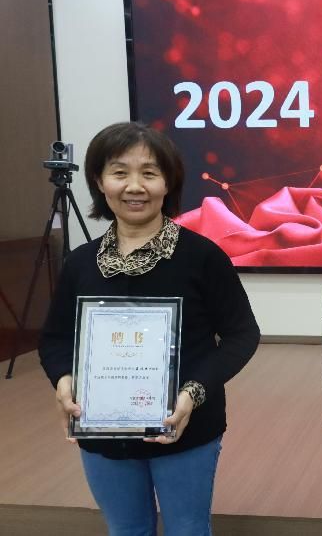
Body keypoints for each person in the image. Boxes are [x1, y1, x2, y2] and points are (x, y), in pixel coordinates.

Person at [39, 122, 260, 535]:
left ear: (168, 182)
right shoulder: (80, 263)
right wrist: (64, 380)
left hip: (185, 426)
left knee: (187, 529)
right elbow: (54, 339)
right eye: (120, 172)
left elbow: (242, 335)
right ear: (99, 182)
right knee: (127, 531)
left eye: (149, 173)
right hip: (102, 429)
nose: (134, 186)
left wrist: (193, 392)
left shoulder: (202, 256)